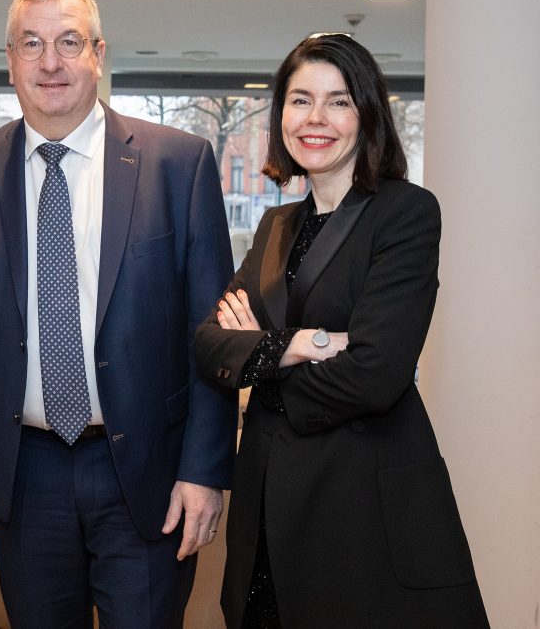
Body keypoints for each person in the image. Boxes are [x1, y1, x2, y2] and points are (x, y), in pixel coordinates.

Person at [0, 0, 236, 627]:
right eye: (31, 43)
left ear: (99, 52)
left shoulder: (180, 165)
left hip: (148, 476)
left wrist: (206, 471)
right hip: (24, 475)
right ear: (9, 60)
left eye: (68, 41)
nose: (50, 61)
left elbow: (210, 339)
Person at [194, 34, 489, 628]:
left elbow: (376, 375)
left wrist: (262, 367)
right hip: (267, 513)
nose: (316, 119)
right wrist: (310, 342)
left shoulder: (405, 213)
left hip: (360, 514)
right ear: (281, 115)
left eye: (339, 101)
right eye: (301, 100)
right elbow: (209, 344)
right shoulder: (277, 225)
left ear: (368, 115)